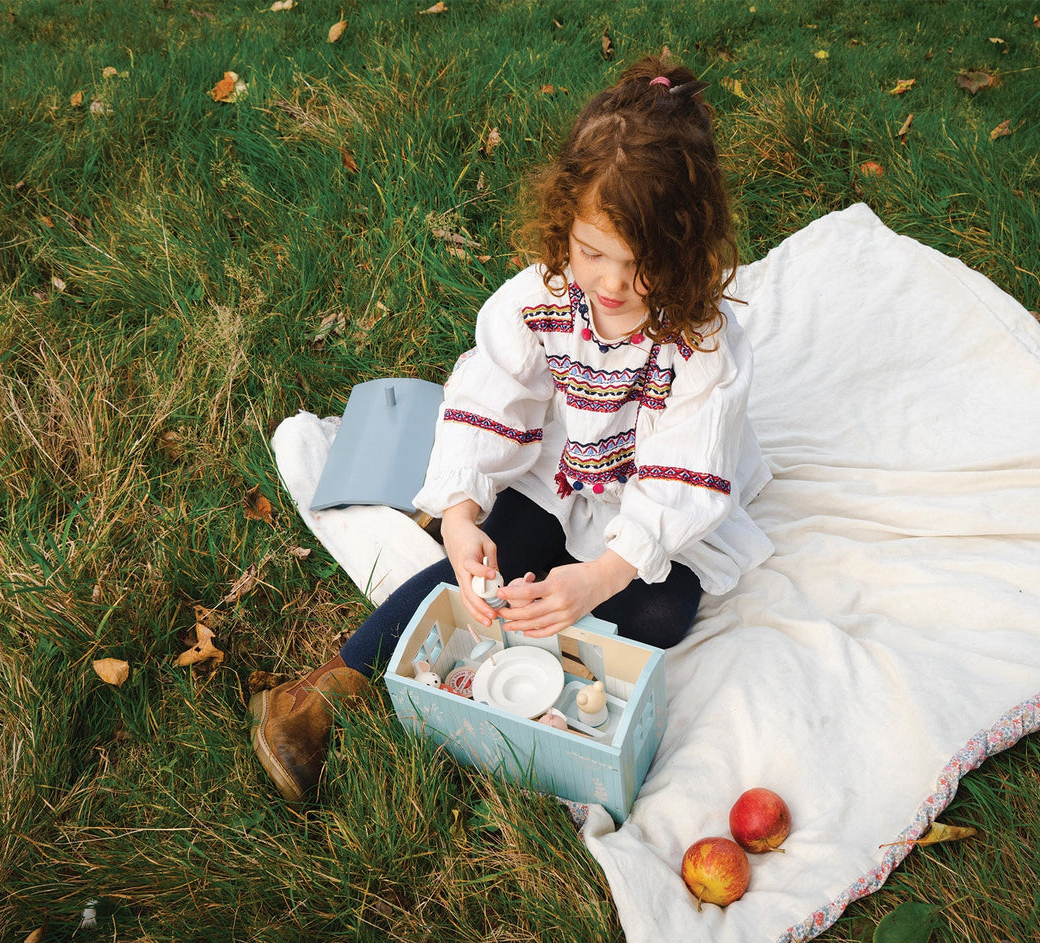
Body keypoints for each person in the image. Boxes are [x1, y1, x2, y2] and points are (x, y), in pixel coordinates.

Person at [250, 56, 773, 801]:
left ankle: (533, 651)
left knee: (659, 610)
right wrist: (459, 515)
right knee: (496, 554)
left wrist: (598, 575)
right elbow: (491, 400)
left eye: (639, 264)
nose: (612, 283)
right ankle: (327, 688)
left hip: (650, 492)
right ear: (565, 225)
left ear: (686, 248)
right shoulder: (537, 300)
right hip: (562, 471)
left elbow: (682, 475)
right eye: (592, 252)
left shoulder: (701, 343)